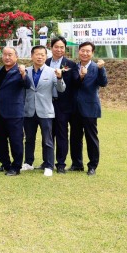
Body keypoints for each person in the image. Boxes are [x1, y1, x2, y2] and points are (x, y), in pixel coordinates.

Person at [23, 45, 66, 177]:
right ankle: (28, 163)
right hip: (29, 110)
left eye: (42, 54)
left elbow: (61, 89)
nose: (40, 56)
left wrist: (60, 78)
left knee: (47, 140)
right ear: (32, 56)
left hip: (46, 110)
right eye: (37, 54)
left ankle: (48, 165)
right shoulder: (26, 71)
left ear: (46, 56)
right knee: (29, 138)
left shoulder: (52, 71)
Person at [70, 41, 108, 176]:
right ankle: (76, 164)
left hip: (90, 108)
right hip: (74, 108)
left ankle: (92, 166)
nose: (85, 53)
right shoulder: (74, 66)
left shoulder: (96, 67)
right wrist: (81, 75)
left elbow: (103, 83)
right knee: (75, 137)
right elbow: (73, 83)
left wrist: (101, 69)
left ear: (92, 53)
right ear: (78, 51)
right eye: (82, 50)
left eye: (88, 51)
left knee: (91, 138)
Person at [0, 46, 30, 176]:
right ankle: (5, 163)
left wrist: (24, 74)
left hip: (14, 112)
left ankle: (16, 166)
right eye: (5, 54)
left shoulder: (20, 70)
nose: (7, 57)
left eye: (10, 55)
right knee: (0, 140)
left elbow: (27, 85)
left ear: (16, 57)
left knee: (16, 140)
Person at [45, 37, 80, 173]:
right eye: (56, 47)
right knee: (48, 133)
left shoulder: (70, 64)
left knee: (61, 134)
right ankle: (47, 161)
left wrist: (81, 76)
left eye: (62, 47)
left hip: (63, 105)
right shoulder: (45, 62)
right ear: (51, 47)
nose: (59, 50)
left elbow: (76, 83)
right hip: (47, 102)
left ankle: (60, 163)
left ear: (65, 49)